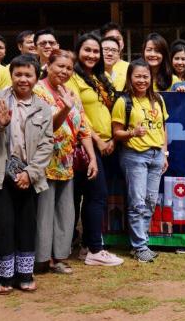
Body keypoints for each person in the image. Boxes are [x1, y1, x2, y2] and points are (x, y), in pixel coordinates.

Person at [0, 55, 55, 293]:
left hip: (27, 176)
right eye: (18, 74)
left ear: (36, 78)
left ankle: (25, 274)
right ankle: (4, 276)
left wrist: (31, 173)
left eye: (28, 75)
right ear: (10, 76)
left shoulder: (42, 107)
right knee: (3, 225)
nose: (23, 79)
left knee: (26, 225)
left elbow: (47, 144)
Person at [34, 50, 92, 273]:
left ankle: (59, 256)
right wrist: (65, 108)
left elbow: (83, 127)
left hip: (66, 163)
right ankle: (42, 258)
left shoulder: (70, 92)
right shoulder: (37, 91)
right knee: (44, 212)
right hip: (44, 162)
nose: (64, 71)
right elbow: (46, 126)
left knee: (65, 212)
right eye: (60, 66)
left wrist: (92, 158)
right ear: (48, 66)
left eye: (69, 68)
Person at [68, 34, 124, 264]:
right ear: (78, 51)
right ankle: (94, 250)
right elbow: (77, 114)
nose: (92, 55)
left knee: (96, 196)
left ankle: (86, 246)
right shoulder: (72, 77)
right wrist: (98, 141)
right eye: (87, 50)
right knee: (95, 196)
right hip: (87, 145)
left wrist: (112, 140)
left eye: (95, 51)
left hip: (108, 145)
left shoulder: (101, 77)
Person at [112, 59, 168, 263]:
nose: (142, 80)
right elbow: (116, 133)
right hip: (134, 155)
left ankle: (141, 243)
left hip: (156, 155)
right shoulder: (123, 101)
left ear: (151, 78)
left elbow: (163, 128)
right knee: (137, 202)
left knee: (150, 201)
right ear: (130, 77)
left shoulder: (158, 99)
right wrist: (132, 133)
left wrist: (164, 153)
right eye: (138, 76)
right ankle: (140, 246)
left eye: (146, 76)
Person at [100, 22, 130, 90]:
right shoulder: (93, 67)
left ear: (123, 43)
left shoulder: (130, 68)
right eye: (111, 39)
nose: (115, 42)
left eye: (118, 39)